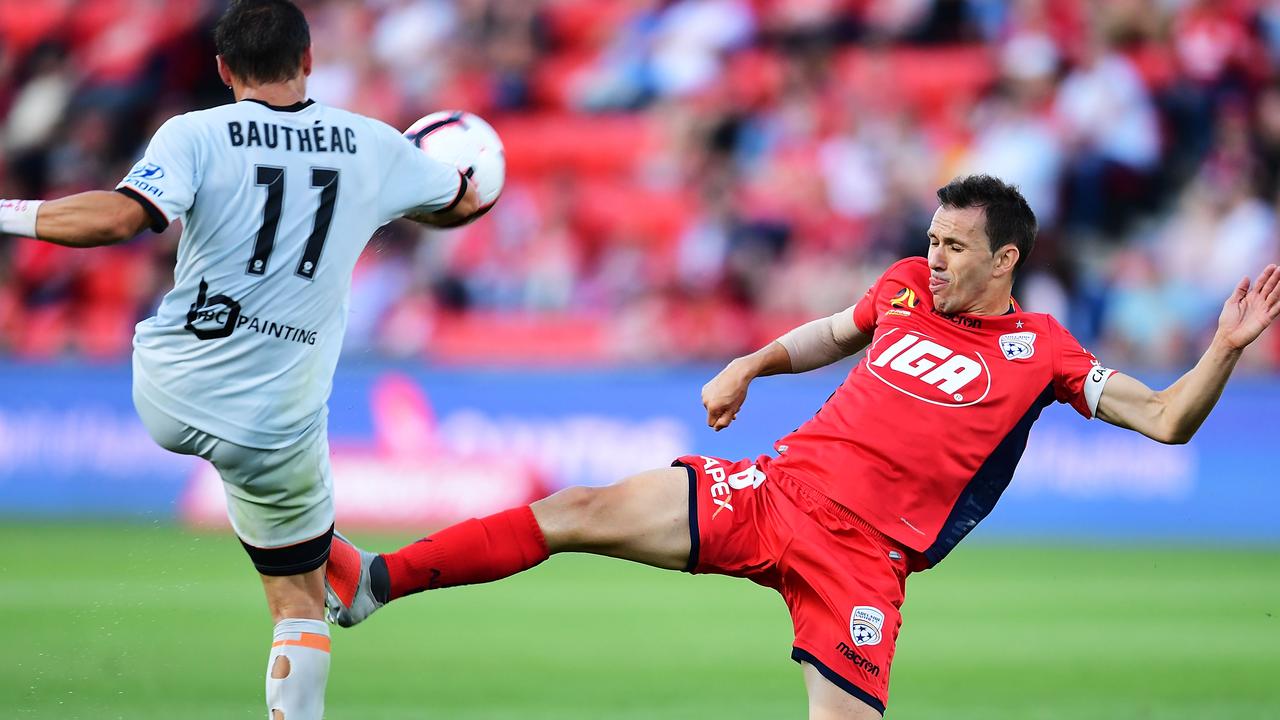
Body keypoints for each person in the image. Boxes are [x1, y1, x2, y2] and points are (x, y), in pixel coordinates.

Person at [325, 175, 1280, 719]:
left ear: (1006, 261)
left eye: (955, 246)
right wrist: (745, 365)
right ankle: (378, 583)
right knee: (575, 511)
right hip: (774, 491)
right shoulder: (904, 287)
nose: (934, 256)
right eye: (933, 239)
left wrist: (1223, 350)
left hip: (866, 562)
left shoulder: (1044, 354)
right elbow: (831, 334)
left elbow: (1163, 419)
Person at [0, 1, 483, 718]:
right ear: (310, 60)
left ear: (224, 69)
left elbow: (119, 217)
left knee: (254, 486)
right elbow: (462, 202)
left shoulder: (194, 132)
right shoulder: (374, 147)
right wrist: (451, 180)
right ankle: (330, 568)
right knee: (295, 600)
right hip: (276, 425)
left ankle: (328, 555)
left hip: (170, 389)